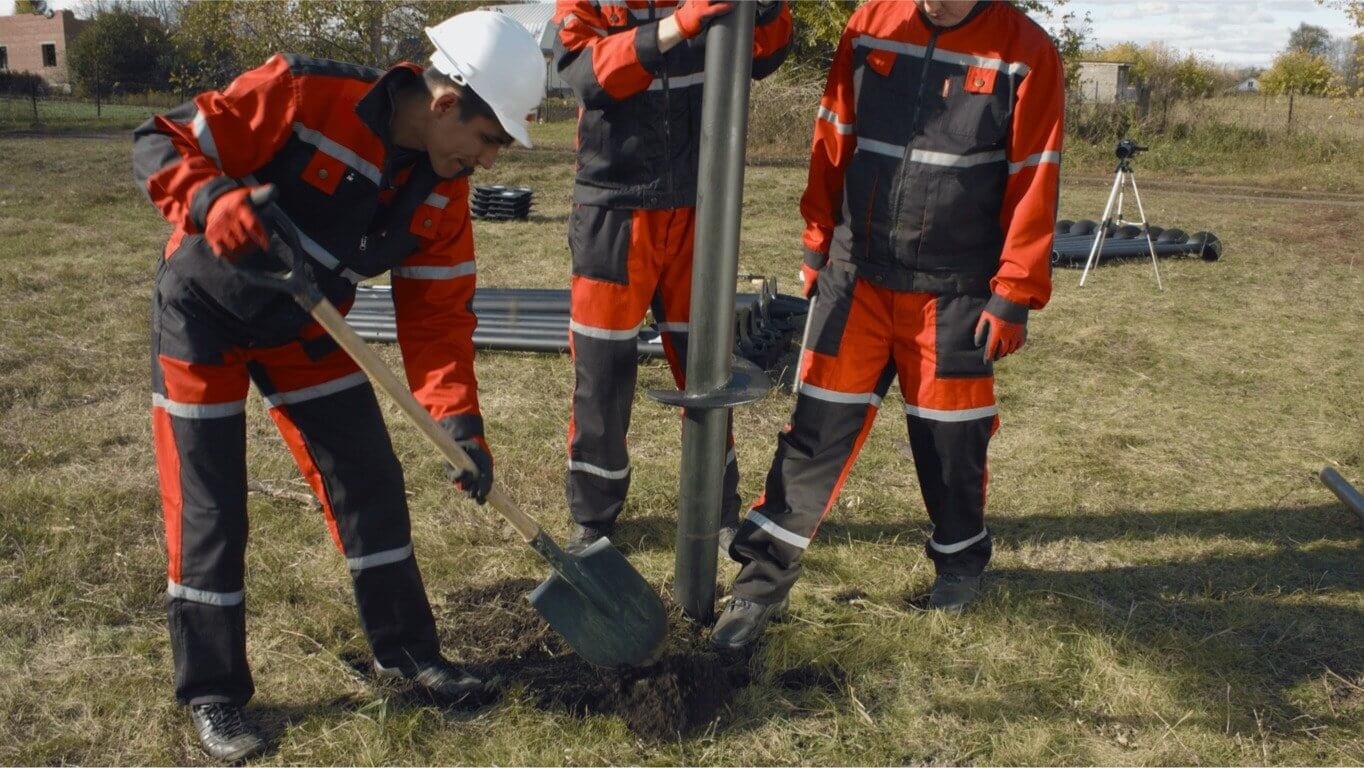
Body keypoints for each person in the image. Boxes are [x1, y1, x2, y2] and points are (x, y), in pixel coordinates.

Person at [132, 11, 544, 761]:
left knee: (370, 482)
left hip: (308, 324)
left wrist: (459, 426)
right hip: (202, 313)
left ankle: (409, 655)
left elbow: (439, 315)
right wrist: (212, 203)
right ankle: (215, 693)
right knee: (209, 505)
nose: (488, 163)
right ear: (447, 102)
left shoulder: (442, 194)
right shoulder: (303, 92)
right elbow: (161, 140)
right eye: (489, 141)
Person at [712, 0, 1065, 649]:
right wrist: (818, 238)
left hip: (955, 291)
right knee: (814, 434)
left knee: (951, 441)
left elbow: (1034, 178)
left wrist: (1014, 291)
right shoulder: (874, 20)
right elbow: (834, 128)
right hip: (859, 274)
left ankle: (958, 568)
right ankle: (758, 587)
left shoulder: (1027, 51)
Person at [552, 0, 793, 554]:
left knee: (707, 367)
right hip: (614, 209)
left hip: (697, 202)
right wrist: (675, 26)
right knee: (602, 369)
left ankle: (719, 507)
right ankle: (594, 517)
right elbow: (586, 77)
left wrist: (770, 9)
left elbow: (765, 54)